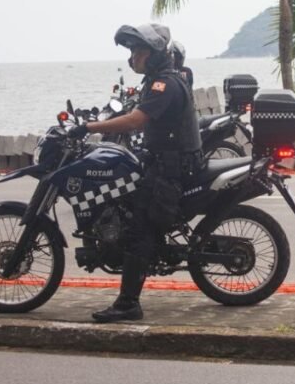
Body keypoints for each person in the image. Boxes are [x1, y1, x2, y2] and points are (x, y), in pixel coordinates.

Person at [69, 23, 203, 322]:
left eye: (138, 51)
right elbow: (133, 115)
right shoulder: (159, 80)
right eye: (131, 51)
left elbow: (134, 121)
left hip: (170, 170)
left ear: (154, 54)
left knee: (139, 231)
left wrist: (88, 128)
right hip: (163, 161)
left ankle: (129, 303)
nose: (133, 58)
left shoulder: (164, 85)